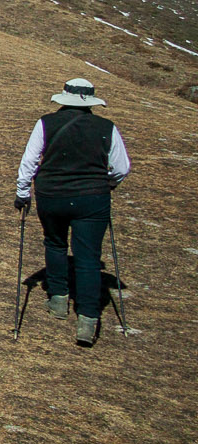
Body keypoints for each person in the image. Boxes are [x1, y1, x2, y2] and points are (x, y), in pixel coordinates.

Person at [15, 77, 132, 347]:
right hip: (93, 197)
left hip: (51, 195)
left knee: (55, 243)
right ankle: (88, 320)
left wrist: (23, 193)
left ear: (63, 98)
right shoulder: (106, 127)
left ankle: (58, 300)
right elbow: (121, 167)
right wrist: (109, 183)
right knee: (89, 258)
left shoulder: (46, 122)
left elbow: (30, 160)